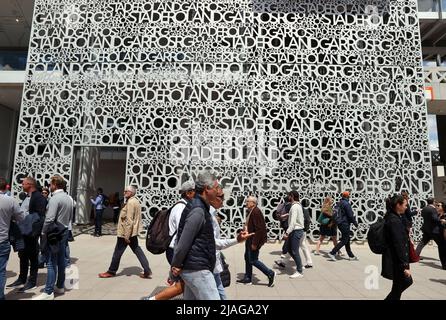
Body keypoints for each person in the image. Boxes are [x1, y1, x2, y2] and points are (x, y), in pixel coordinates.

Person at [170, 171, 220, 300]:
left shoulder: (201, 207)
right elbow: (182, 243)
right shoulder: (198, 210)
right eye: (216, 188)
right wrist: (174, 268)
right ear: (206, 189)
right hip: (197, 270)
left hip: (196, 267)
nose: (218, 191)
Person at [145, 180, 196, 300]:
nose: (197, 195)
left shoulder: (184, 206)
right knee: (182, 285)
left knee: (186, 284)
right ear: (188, 193)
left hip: (176, 250)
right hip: (175, 250)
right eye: (195, 192)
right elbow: (182, 232)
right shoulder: (181, 208)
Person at [33, 175, 73, 300]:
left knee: (51, 262)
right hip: (64, 230)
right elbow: (71, 216)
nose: (49, 186)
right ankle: (60, 286)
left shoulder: (55, 199)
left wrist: (43, 232)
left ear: (55, 184)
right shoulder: (68, 198)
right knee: (61, 261)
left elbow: (49, 218)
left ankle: (48, 291)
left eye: (50, 184)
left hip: (54, 232)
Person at [98, 186, 152, 279]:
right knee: (137, 250)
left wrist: (126, 236)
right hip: (132, 232)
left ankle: (111, 271)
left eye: (126, 191)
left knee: (117, 252)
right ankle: (147, 270)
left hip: (126, 233)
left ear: (131, 193)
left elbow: (129, 220)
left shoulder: (131, 203)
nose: (124, 193)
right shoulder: (135, 201)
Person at [8, 177, 47, 292]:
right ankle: (22, 278)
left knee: (33, 257)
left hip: (31, 233)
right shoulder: (28, 196)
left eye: (23, 183)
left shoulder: (39, 197)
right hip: (23, 232)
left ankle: (32, 281)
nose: (21, 185)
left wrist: (34, 232)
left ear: (29, 185)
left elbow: (40, 217)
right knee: (23, 255)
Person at [237, 196, 276, 286]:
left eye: (248, 201)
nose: (246, 203)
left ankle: (270, 273)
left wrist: (255, 243)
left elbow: (259, 229)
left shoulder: (256, 212)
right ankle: (248, 278)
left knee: (253, 260)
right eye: (246, 201)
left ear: (253, 203)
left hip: (254, 240)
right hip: (249, 238)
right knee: (247, 258)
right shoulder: (251, 211)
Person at [382, 194, 413, 300]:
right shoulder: (394, 221)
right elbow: (398, 244)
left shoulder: (392, 217)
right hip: (397, 261)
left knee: (398, 287)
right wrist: (405, 265)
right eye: (405, 205)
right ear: (398, 205)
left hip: (395, 260)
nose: (406, 207)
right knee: (404, 283)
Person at [0, 178, 25, 300]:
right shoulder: (10, 201)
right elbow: (21, 217)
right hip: (3, 240)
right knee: (1, 270)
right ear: (6, 188)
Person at [327, 191, 359, 261]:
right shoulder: (346, 204)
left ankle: (351, 256)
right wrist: (355, 223)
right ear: (347, 196)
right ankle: (332, 253)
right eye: (349, 195)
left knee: (346, 239)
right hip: (345, 224)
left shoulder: (339, 203)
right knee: (345, 240)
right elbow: (350, 215)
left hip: (340, 223)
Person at [415, 197, 446, 268]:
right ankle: (444, 263)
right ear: (433, 202)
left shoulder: (424, 209)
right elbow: (434, 218)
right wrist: (441, 220)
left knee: (422, 243)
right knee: (441, 245)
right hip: (434, 230)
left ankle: (415, 255)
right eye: (436, 204)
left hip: (427, 229)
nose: (437, 206)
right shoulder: (433, 209)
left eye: (439, 205)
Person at [282, 191, 305, 278]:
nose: (288, 197)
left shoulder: (295, 207)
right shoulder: (297, 206)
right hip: (296, 230)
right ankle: (300, 265)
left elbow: (293, 222)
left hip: (296, 230)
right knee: (289, 249)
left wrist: (287, 232)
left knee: (294, 251)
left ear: (292, 196)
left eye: (289, 196)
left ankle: (299, 271)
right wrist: (288, 214)